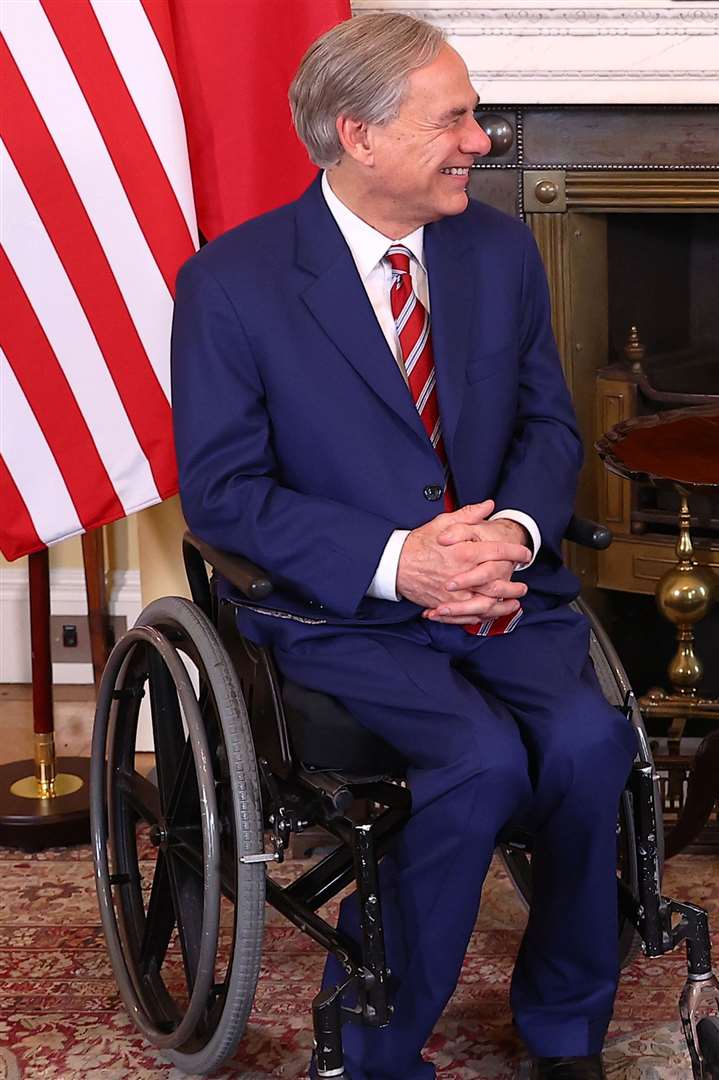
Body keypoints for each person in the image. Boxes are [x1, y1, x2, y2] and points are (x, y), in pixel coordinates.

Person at [172, 14, 634, 1080]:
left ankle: (565, 1032)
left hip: (499, 591)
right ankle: (375, 1050)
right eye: (455, 119)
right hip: (338, 612)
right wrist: (399, 560)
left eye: (475, 116)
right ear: (358, 136)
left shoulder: (498, 252)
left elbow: (546, 425)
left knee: (587, 746)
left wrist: (511, 535)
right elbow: (226, 494)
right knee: (473, 763)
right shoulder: (233, 285)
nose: (482, 139)